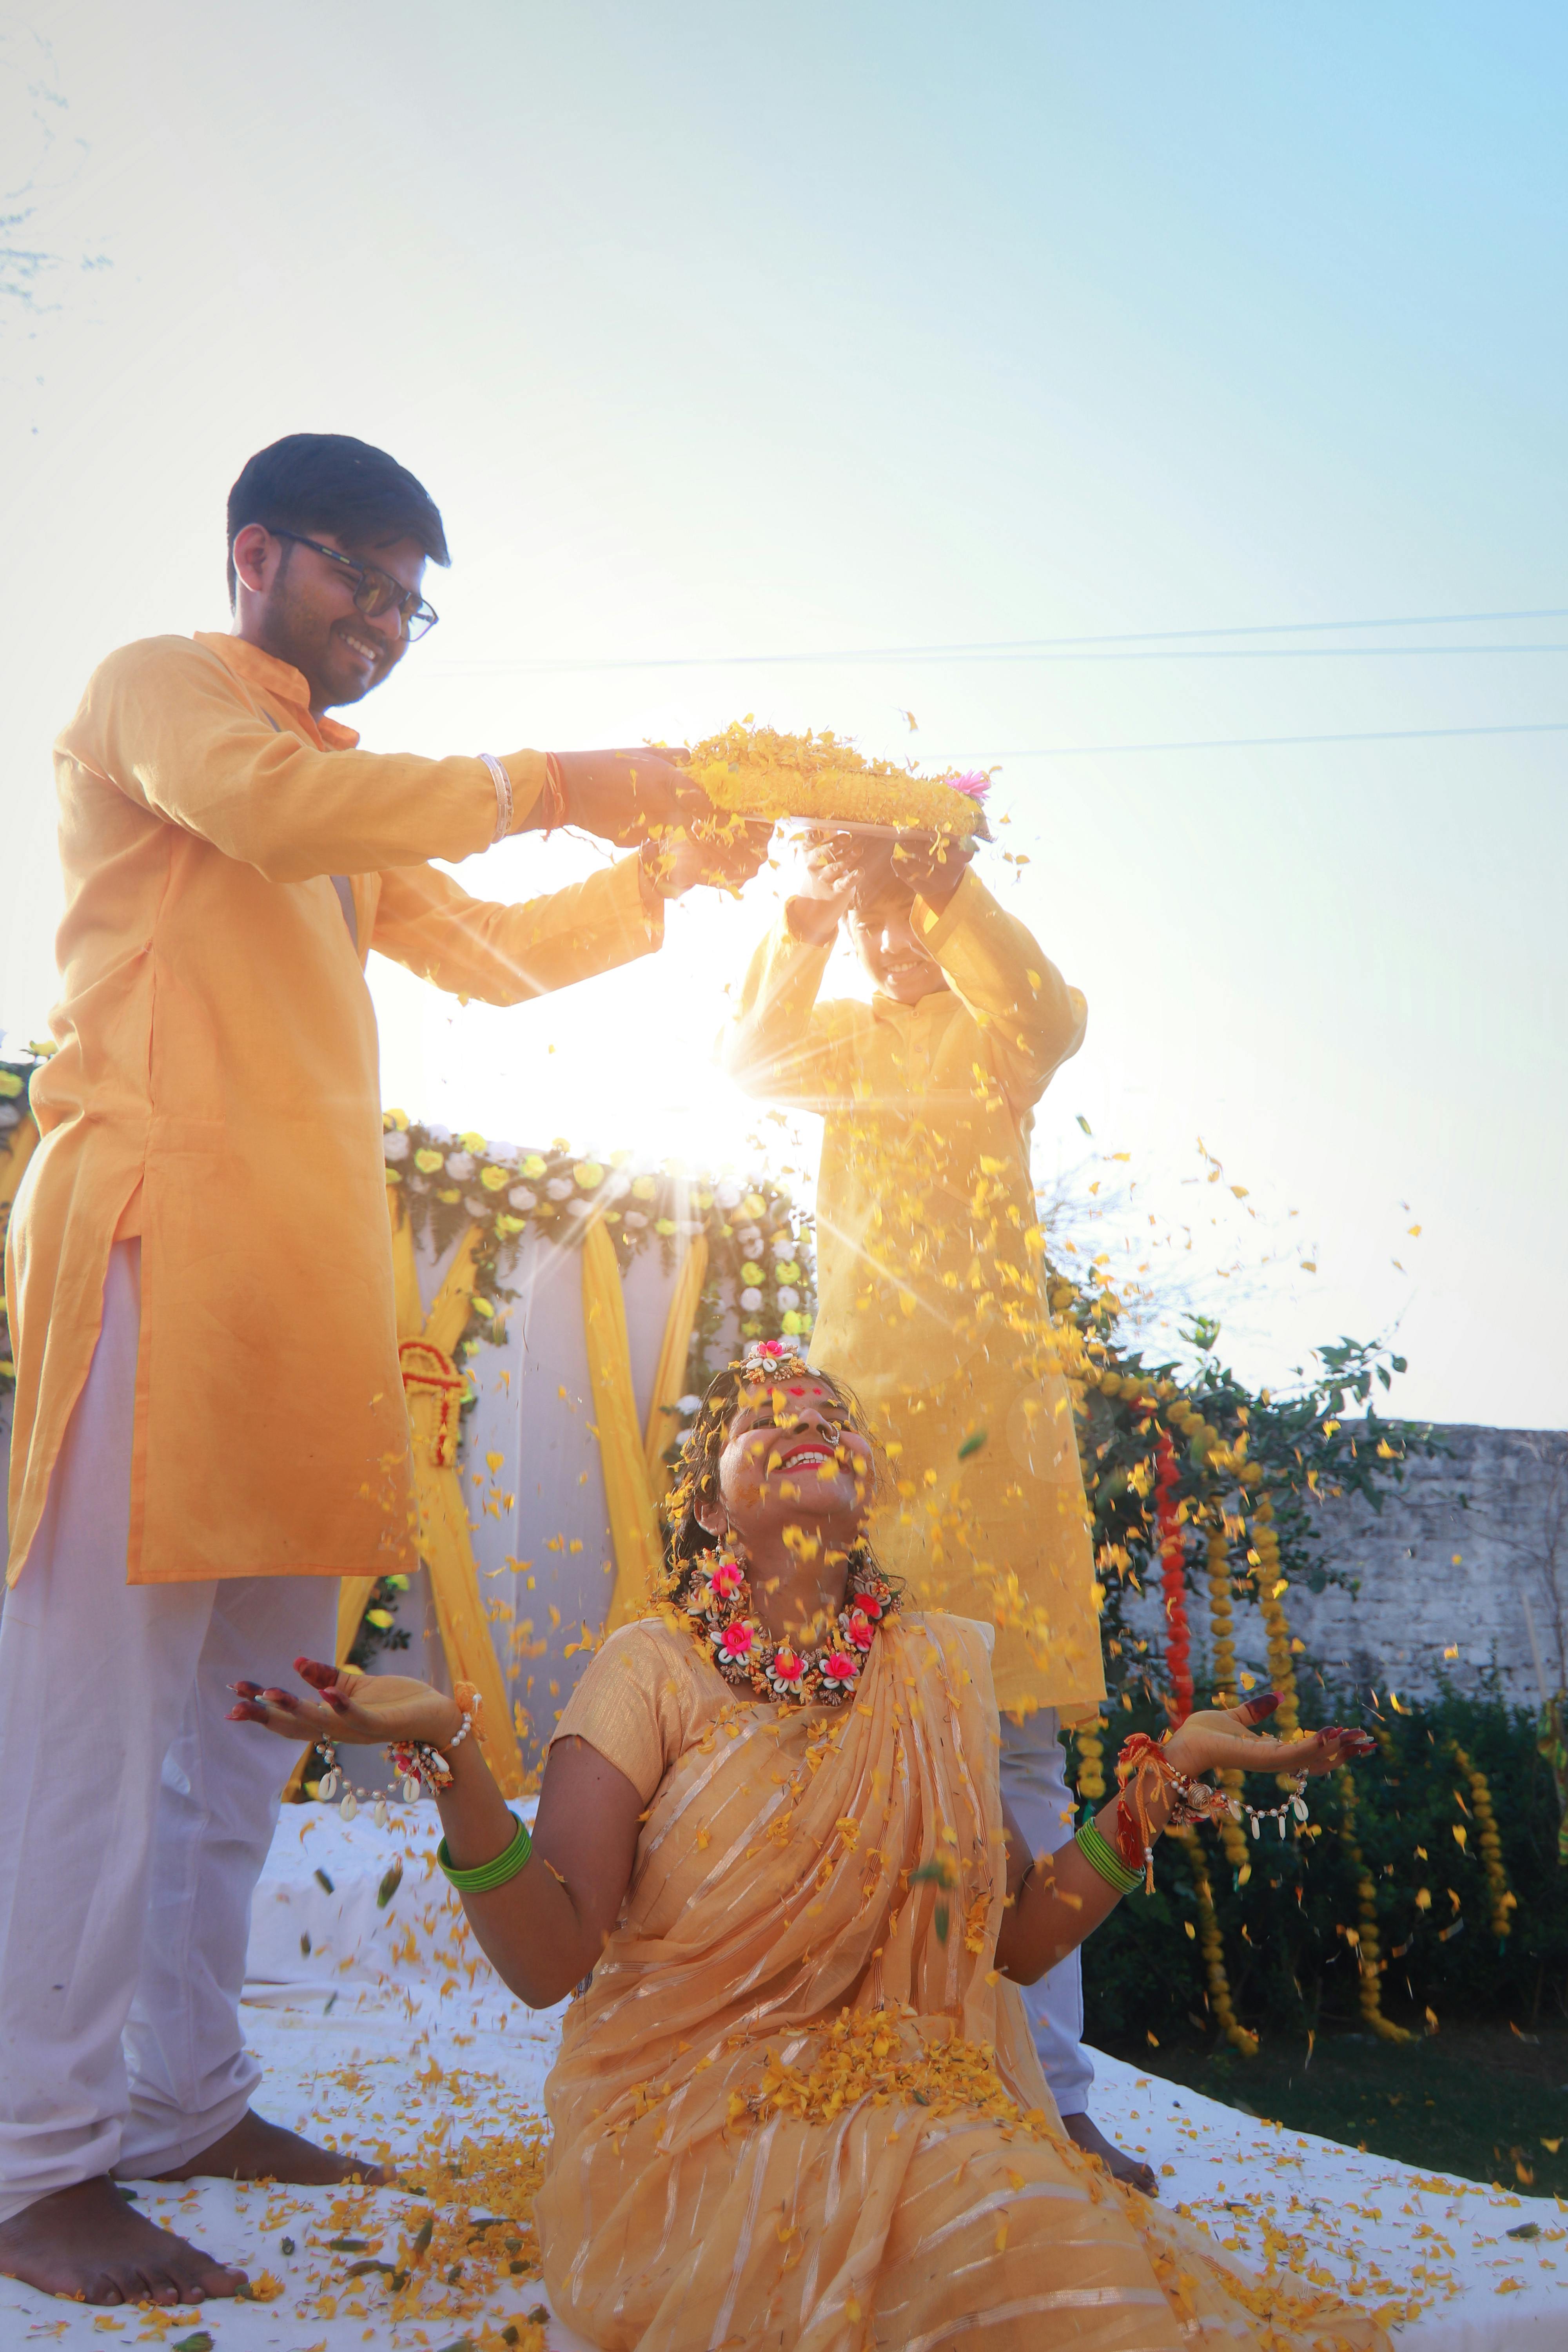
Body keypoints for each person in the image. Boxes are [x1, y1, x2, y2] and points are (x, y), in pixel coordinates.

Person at [0, 432, 763, 2308]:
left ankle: (184, 2098)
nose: (387, 625)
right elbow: (266, 811)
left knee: (253, 1731)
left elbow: (492, 957)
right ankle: (32, 2164)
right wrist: (559, 782)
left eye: (416, 605)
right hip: (155, 1243)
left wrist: (663, 871)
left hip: (299, 1291)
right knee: (93, 1732)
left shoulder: (345, 806)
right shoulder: (168, 696)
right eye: (365, 580)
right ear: (258, 552)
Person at [232, 1347, 1387, 2351]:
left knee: (1041, 2228)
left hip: (927, 2102)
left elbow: (1020, 1940)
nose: (806, 1422)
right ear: (709, 1507)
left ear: (866, 1484)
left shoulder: (934, 1674)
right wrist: (452, 1755)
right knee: (1015, 2228)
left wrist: (1161, 1778)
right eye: (764, 1418)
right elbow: (549, 1961)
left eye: (832, 1414)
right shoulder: (650, 1669)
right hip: (692, 2128)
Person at [720, 823, 1138, 2178]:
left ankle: (1054, 2097)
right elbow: (749, 1058)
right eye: (873, 919)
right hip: (861, 1463)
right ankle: (845, 2071)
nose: (891, 940)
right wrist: (805, 908)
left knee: (1019, 1768)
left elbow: (1049, 1011)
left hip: (999, 1457)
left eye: (910, 912)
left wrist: (940, 879)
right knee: (841, 1760)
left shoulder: (1002, 1037)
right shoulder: (844, 1046)